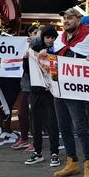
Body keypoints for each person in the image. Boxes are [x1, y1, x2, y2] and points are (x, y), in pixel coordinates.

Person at [41, 7, 89, 177]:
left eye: (70, 18)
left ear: (79, 19)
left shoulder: (88, 38)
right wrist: (46, 52)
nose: (66, 21)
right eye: (64, 18)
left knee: (80, 128)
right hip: (59, 88)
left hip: (76, 90)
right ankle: (72, 161)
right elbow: (55, 55)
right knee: (64, 127)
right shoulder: (60, 38)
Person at [25, 26, 61, 167]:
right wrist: (26, 59)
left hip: (51, 92)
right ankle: (37, 151)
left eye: (52, 37)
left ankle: (54, 153)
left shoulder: (57, 51)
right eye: (47, 37)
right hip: (36, 90)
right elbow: (27, 71)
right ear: (43, 38)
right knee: (36, 122)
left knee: (52, 123)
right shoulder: (34, 51)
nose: (50, 40)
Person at [12, 25, 41, 150]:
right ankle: (24, 138)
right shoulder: (27, 46)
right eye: (35, 33)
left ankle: (35, 141)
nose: (36, 35)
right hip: (25, 85)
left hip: (36, 86)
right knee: (22, 113)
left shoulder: (42, 47)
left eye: (38, 33)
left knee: (35, 115)